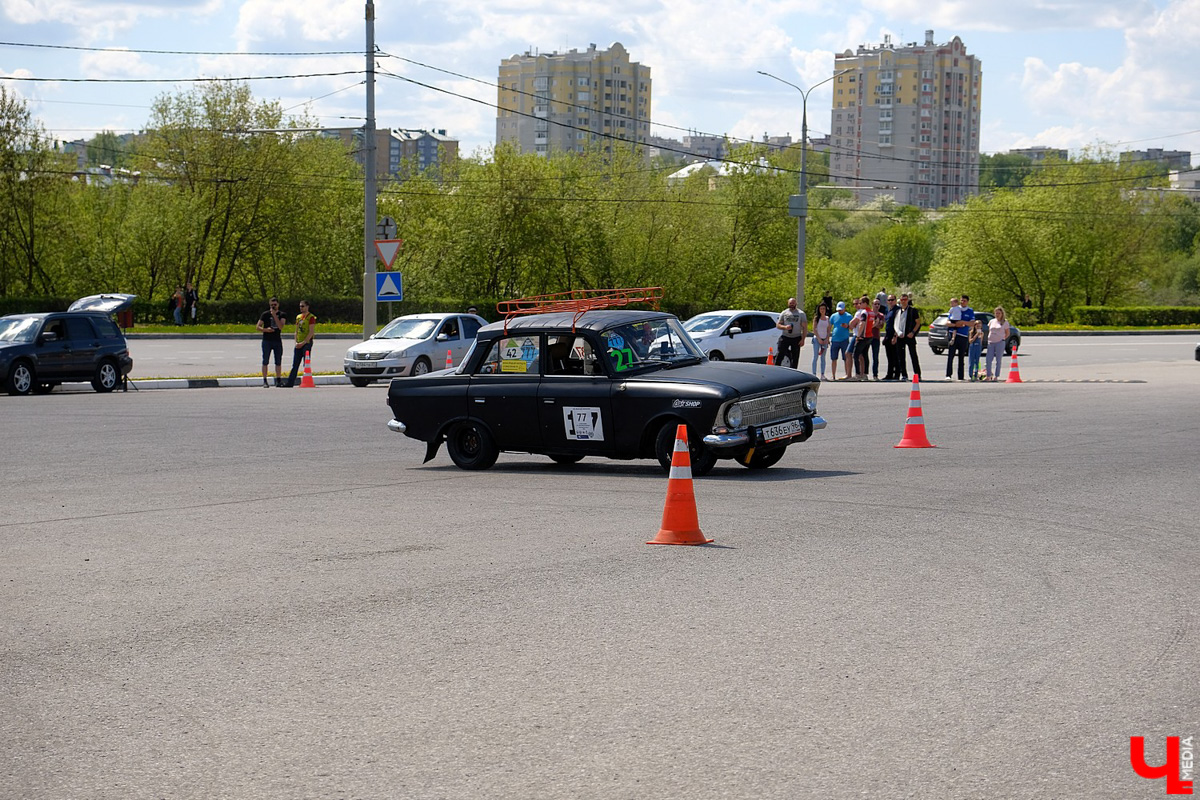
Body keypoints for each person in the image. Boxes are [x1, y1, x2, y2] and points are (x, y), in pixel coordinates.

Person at [888, 293, 922, 381]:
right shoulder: (898, 311)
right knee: (901, 356)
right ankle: (904, 375)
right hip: (900, 336)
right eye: (902, 300)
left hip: (910, 335)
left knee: (913, 355)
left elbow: (918, 322)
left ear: (908, 300)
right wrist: (895, 336)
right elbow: (896, 324)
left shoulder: (912, 310)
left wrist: (913, 332)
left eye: (905, 300)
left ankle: (917, 374)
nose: (903, 301)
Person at [284, 300, 317, 387]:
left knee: (306, 363)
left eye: (303, 306)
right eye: (300, 306)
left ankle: (306, 380)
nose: (301, 308)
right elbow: (296, 331)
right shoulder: (298, 317)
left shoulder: (311, 317)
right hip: (298, 343)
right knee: (295, 364)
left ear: (307, 306)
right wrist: (296, 342)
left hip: (307, 343)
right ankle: (290, 382)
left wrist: (304, 342)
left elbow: (311, 332)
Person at [257, 296, 286, 387]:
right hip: (267, 340)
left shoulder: (282, 314)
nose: (273, 306)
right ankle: (265, 380)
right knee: (265, 360)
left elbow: (281, 326)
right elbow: (258, 327)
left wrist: (274, 315)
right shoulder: (265, 314)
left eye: (275, 305)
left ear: (278, 305)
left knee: (278, 361)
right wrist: (266, 330)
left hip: (277, 340)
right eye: (271, 305)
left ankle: (278, 380)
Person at [775, 297, 806, 369]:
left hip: (796, 337)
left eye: (793, 303)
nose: (792, 304)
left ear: (796, 303)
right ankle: (776, 369)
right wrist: (785, 327)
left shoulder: (801, 314)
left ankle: (794, 372)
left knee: (795, 357)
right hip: (785, 336)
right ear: (788, 303)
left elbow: (805, 327)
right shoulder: (784, 313)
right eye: (790, 303)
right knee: (780, 354)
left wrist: (803, 339)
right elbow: (778, 325)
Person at [853, 296, 878, 381]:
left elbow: (862, 324)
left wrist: (858, 335)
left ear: (865, 303)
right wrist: (871, 327)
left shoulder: (864, 312)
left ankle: (858, 374)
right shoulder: (871, 312)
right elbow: (876, 321)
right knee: (865, 355)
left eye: (861, 303)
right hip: (870, 336)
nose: (859, 305)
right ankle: (865, 374)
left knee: (855, 355)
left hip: (863, 336)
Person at [828, 300, 853, 380]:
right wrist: (828, 337)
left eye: (841, 309)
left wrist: (847, 326)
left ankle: (847, 374)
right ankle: (833, 375)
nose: (840, 311)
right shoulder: (833, 316)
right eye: (838, 310)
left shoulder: (849, 316)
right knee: (833, 358)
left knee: (846, 358)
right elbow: (829, 327)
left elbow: (853, 327)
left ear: (844, 309)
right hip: (835, 339)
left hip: (844, 339)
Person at [986, 306, 1011, 381]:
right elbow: (989, 330)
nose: (997, 314)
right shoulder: (992, 321)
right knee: (988, 360)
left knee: (998, 360)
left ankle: (996, 376)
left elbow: (1007, 333)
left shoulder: (1004, 322)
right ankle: (988, 375)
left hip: (999, 342)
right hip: (991, 342)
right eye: (996, 313)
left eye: (999, 313)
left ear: (1002, 314)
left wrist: (1002, 338)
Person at [945, 297, 966, 380]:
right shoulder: (953, 310)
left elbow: (969, 322)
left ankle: (961, 376)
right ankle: (948, 374)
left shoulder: (962, 310)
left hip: (962, 336)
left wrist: (961, 324)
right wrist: (955, 325)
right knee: (950, 356)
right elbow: (947, 322)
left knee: (961, 357)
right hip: (953, 327)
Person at [810, 303, 831, 380]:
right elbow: (814, 329)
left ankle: (822, 374)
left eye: (824, 309)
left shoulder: (827, 318)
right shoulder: (816, 318)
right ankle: (814, 373)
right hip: (817, 339)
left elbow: (828, 330)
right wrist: (818, 338)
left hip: (824, 339)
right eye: (821, 309)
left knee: (823, 357)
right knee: (815, 356)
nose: (822, 310)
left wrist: (827, 339)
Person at [882, 294, 900, 380]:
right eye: (889, 300)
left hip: (894, 336)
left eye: (892, 300)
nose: (890, 302)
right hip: (888, 335)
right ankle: (889, 374)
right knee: (890, 357)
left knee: (895, 356)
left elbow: (898, 324)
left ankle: (897, 374)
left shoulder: (897, 310)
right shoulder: (889, 311)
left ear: (896, 300)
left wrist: (895, 336)